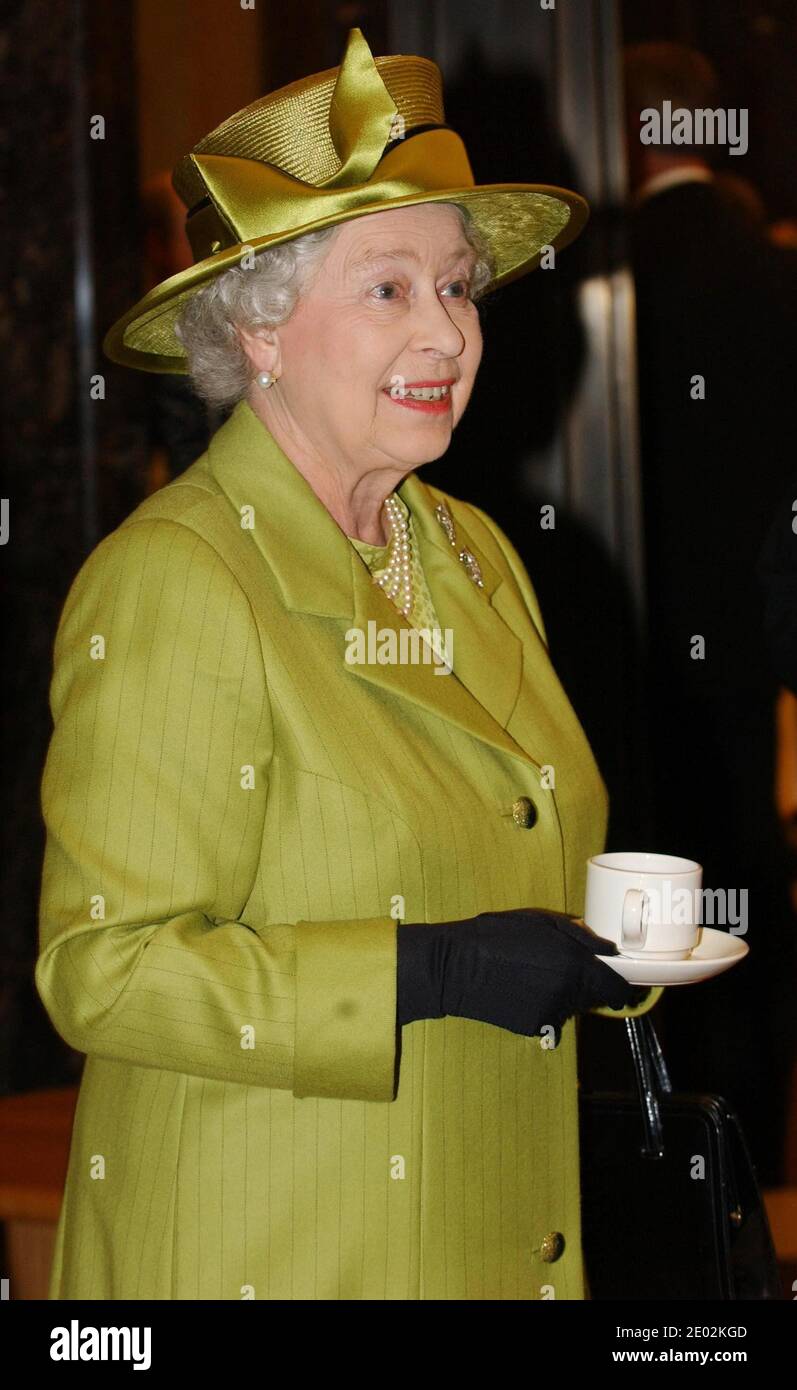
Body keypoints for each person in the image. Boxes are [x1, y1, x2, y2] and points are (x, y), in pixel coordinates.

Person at [36, 27, 659, 1302]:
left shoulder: (469, 551)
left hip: (482, 1233)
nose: (446, 333)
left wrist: (613, 942)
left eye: (458, 288)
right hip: (274, 1253)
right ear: (260, 331)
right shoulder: (182, 578)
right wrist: (424, 971)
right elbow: (102, 970)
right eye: (388, 290)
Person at [623, 42, 797, 1185]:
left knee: (638, 891)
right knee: (748, 877)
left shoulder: (591, 274)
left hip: (624, 634)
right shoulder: (774, 271)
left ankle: (658, 1138)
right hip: (753, 632)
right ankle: (760, 1152)